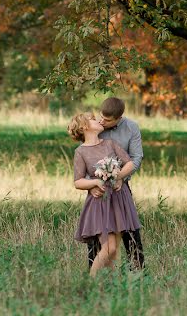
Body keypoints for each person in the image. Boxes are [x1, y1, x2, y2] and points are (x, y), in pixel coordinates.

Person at [68, 112, 141, 275]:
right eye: (93, 119)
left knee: (113, 252)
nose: (98, 120)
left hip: (118, 200)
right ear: (84, 127)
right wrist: (94, 182)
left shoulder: (109, 143)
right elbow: (77, 181)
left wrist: (118, 176)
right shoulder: (81, 152)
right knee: (109, 248)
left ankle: (110, 285)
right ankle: (91, 281)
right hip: (100, 203)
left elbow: (129, 163)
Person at [86, 97, 146, 270]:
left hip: (121, 188)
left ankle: (138, 274)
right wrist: (91, 187)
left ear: (119, 118)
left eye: (108, 120)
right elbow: (86, 156)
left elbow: (136, 158)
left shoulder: (131, 127)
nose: (103, 121)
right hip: (97, 187)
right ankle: (93, 275)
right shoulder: (96, 127)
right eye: (101, 117)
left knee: (130, 232)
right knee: (97, 234)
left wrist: (119, 177)